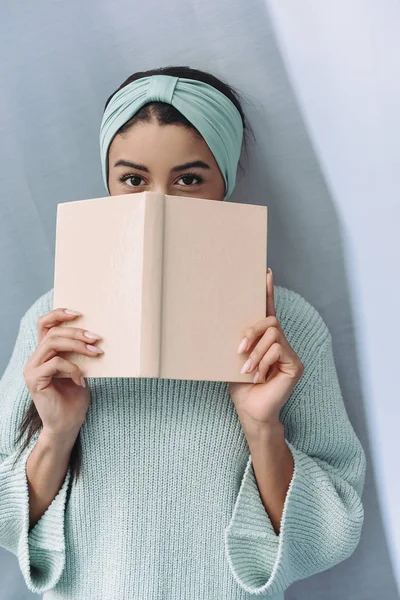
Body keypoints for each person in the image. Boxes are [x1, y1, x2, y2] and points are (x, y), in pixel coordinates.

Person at [0, 65, 366, 600]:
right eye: (133, 179)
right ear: (107, 183)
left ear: (225, 185)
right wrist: (57, 431)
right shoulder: (55, 320)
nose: (157, 201)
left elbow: (332, 530)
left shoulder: (286, 329)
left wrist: (261, 427)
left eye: (189, 179)